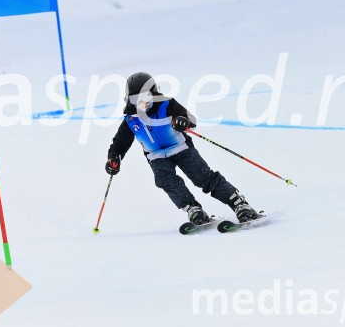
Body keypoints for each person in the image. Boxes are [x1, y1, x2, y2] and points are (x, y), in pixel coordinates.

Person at [105, 72, 261, 225]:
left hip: (180, 147)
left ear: (154, 92)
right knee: (165, 181)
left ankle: (238, 203)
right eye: (134, 99)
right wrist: (114, 158)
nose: (141, 103)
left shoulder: (167, 104)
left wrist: (182, 120)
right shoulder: (131, 120)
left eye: (145, 97)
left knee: (202, 177)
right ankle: (192, 208)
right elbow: (119, 144)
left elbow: (190, 119)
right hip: (156, 155)